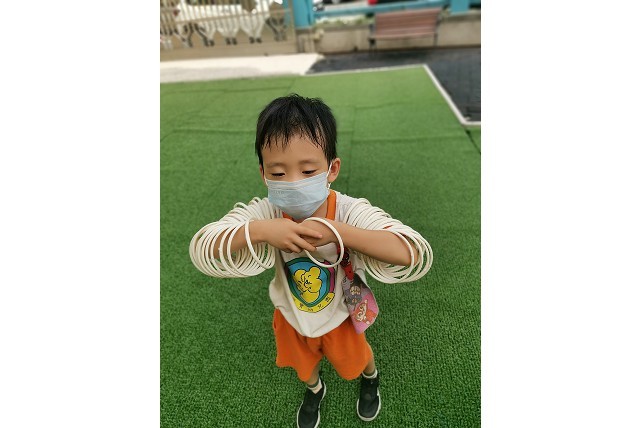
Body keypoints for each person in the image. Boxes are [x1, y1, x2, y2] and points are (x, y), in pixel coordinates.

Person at [189, 94, 432, 428]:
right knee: (303, 365)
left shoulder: (348, 210)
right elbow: (207, 246)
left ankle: (370, 376)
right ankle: (315, 388)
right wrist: (261, 230)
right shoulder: (268, 212)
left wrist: (338, 232)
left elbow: (409, 252)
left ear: (332, 169)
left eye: (307, 170)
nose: (293, 182)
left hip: (342, 315)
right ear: (263, 174)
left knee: (357, 357)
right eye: (278, 172)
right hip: (291, 314)